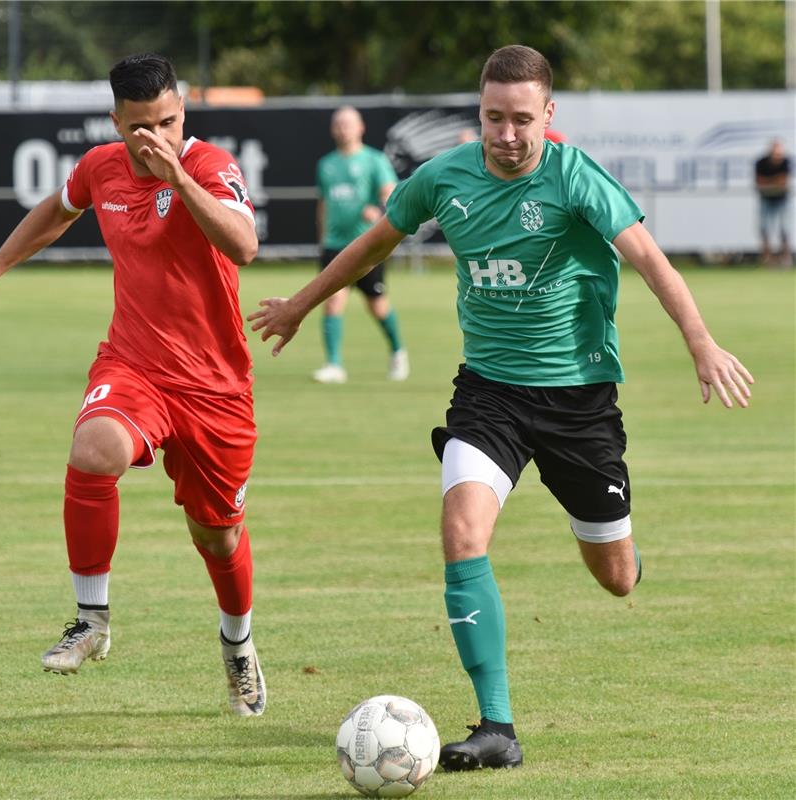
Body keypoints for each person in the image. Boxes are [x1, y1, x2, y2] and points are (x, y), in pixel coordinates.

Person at [248, 45, 754, 768]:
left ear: (548, 116)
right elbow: (372, 244)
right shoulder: (442, 178)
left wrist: (700, 342)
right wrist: (300, 304)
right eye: (493, 118)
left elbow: (649, 260)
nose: (507, 134)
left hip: (579, 404)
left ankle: (625, 552)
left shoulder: (574, 176)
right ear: (478, 113)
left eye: (522, 119)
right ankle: (497, 728)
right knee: (461, 531)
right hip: (488, 394)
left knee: (613, 578)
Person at [0, 53, 267, 717]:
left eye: (170, 121)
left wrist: (177, 174)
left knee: (217, 536)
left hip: (214, 387)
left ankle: (237, 644)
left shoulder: (208, 165)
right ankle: (91, 620)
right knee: (94, 449)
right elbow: (55, 212)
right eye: (143, 126)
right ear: (117, 122)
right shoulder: (102, 167)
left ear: (182, 111)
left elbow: (243, 245)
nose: (158, 135)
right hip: (135, 364)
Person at [313, 106, 408, 384]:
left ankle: (398, 351)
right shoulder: (326, 164)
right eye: (338, 124)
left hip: (367, 246)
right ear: (332, 129)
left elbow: (391, 194)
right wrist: (322, 238)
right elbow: (323, 204)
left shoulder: (374, 160)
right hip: (334, 244)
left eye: (348, 124)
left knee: (377, 306)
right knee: (332, 302)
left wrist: (377, 209)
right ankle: (333, 364)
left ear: (360, 127)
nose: (343, 129)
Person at [754, 139, 792, 266]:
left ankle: (786, 259)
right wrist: (774, 181)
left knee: (784, 228)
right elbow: (759, 182)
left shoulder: (786, 162)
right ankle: (767, 259)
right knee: (764, 229)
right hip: (766, 199)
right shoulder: (761, 162)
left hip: (782, 199)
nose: (778, 157)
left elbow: (783, 181)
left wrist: (769, 182)